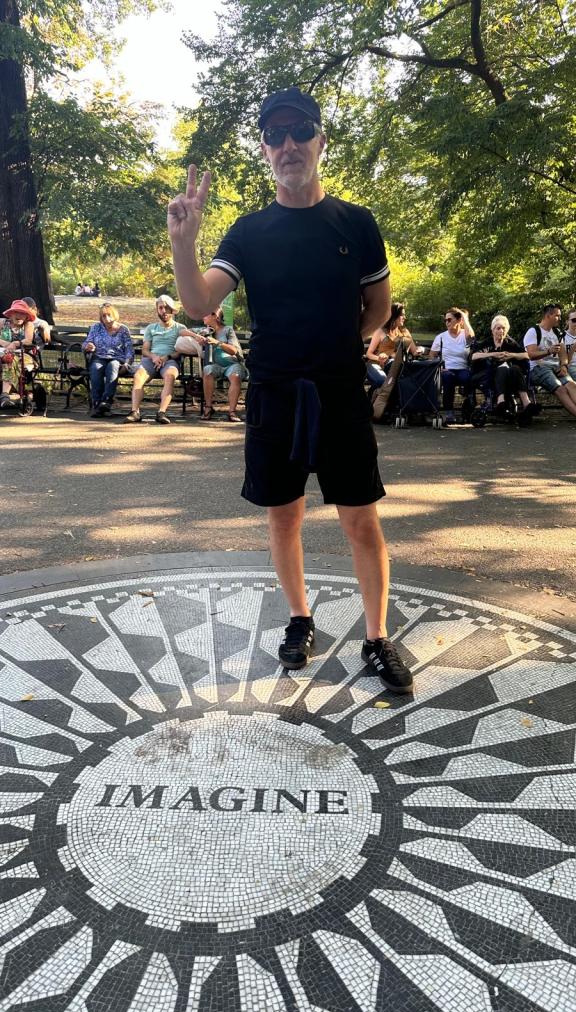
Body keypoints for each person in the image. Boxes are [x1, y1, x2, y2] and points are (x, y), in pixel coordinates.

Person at [168, 85, 413, 694]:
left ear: (320, 141)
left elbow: (378, 308)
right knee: (284, 514)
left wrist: (334, 344)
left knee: (361, 518)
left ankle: (377, 637)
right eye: (275, 136)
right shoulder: (248, 232)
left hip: (338, 390)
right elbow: (198, 301)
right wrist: (183, 243)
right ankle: (300, 619)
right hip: (275, 393)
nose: (289, 145)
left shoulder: (356, 224)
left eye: (300, 131)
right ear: (265, 150)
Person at [126, 294, 204, 425]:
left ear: (172, 309)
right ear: (157, 310)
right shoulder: (151, 328)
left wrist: (166, 357)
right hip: (150, 360)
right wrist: (154, 357)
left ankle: (161, 412)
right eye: (161, 308)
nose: (164, 311)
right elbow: (145, 350)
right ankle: (135, 412)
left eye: (167, 308)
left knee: (170, 376)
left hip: (170, 361)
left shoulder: (179, 327)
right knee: (138, 376)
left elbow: (180, 350)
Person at [523, 304, 576, 425]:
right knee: (560, 388)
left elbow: (563, 354)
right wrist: (548, 351)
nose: (560, 318)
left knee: (571, 384)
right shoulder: (533, 331)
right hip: (538, 368)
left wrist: (564, 366)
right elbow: (531, 355)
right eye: (557, 315)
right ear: (548, 316)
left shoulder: (557, 332)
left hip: (556, 367)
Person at [470, 314, 538, 424]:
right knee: (502, 368)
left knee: (515, 368)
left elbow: (526, 355)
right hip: (488, 376)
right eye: (498, 328)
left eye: (504, 328)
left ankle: (526, 403)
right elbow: (474, 356)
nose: (501, 331)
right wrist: (493, 354)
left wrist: (511, 355)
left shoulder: (509, 343)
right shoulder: (487, 343)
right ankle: (500, 402)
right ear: (493, 330)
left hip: (508, 378)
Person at [83, 303, 134, 415]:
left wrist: (127, 364)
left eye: (109, 315)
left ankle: (107, 400)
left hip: (117, 358)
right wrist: (88, 346)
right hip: (99, 357)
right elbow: (86, 343)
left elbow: (129, 349)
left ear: (114, 315)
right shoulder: (96, 328)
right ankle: (97, 404)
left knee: (113, 366)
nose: (107, 319)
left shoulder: (123, 329)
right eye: (104, 316)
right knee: (96, 367)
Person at [200, 307, 247, 422]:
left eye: (206, 314)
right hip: (216, 366)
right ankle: (208, 407)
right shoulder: (205, 331)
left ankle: (232, 412)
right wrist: (199, 341)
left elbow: (234, 351)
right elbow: (188, 335)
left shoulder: (228, 330)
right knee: (207, 370)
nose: (203, 316)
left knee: (235, 376)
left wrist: (217, 343)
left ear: (215, 316)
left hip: (232, 364)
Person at [431, 307, 473, 425]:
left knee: (468, 377)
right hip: (447, 369)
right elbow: (432, 355)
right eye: (445, 320)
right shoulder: (441, 337)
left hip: (462, 368)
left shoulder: (464, 335)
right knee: (448, 377)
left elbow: (471, 337)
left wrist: (464, 317)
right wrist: (439, 367)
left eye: (449, 320)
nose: (447, 322)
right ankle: (449, 412)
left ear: (459, 320)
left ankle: (469, 409)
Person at [364, 302, 420, 387]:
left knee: (401, 380)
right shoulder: (380, 331)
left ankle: (380, 394)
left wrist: (420, 351)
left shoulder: (405, 332)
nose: (404, 317)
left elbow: (414, 351)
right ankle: (377, 394)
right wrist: (379, 358)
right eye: (402, 315)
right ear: (394, 316)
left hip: (396, 366)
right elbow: (368, 354)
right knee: (382, 381)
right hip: (376, 364)